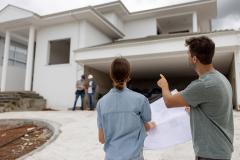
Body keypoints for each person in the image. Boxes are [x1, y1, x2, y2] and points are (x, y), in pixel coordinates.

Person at [157, 36, 234, 160]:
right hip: (220, 150)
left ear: (194, 59)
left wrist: (164, 86)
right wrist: (194, 110)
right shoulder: (221, 79)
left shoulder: (203, 84)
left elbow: (169, 102)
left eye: (188, 54)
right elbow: (214, 109)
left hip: (210, 154)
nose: (187, 57)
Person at [97, 57, 156, 160]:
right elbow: (146, 126)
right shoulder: (141, 100)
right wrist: (151, 125)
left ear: (111, 75)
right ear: (128, 76)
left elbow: (102, 139)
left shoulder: (101, 103)